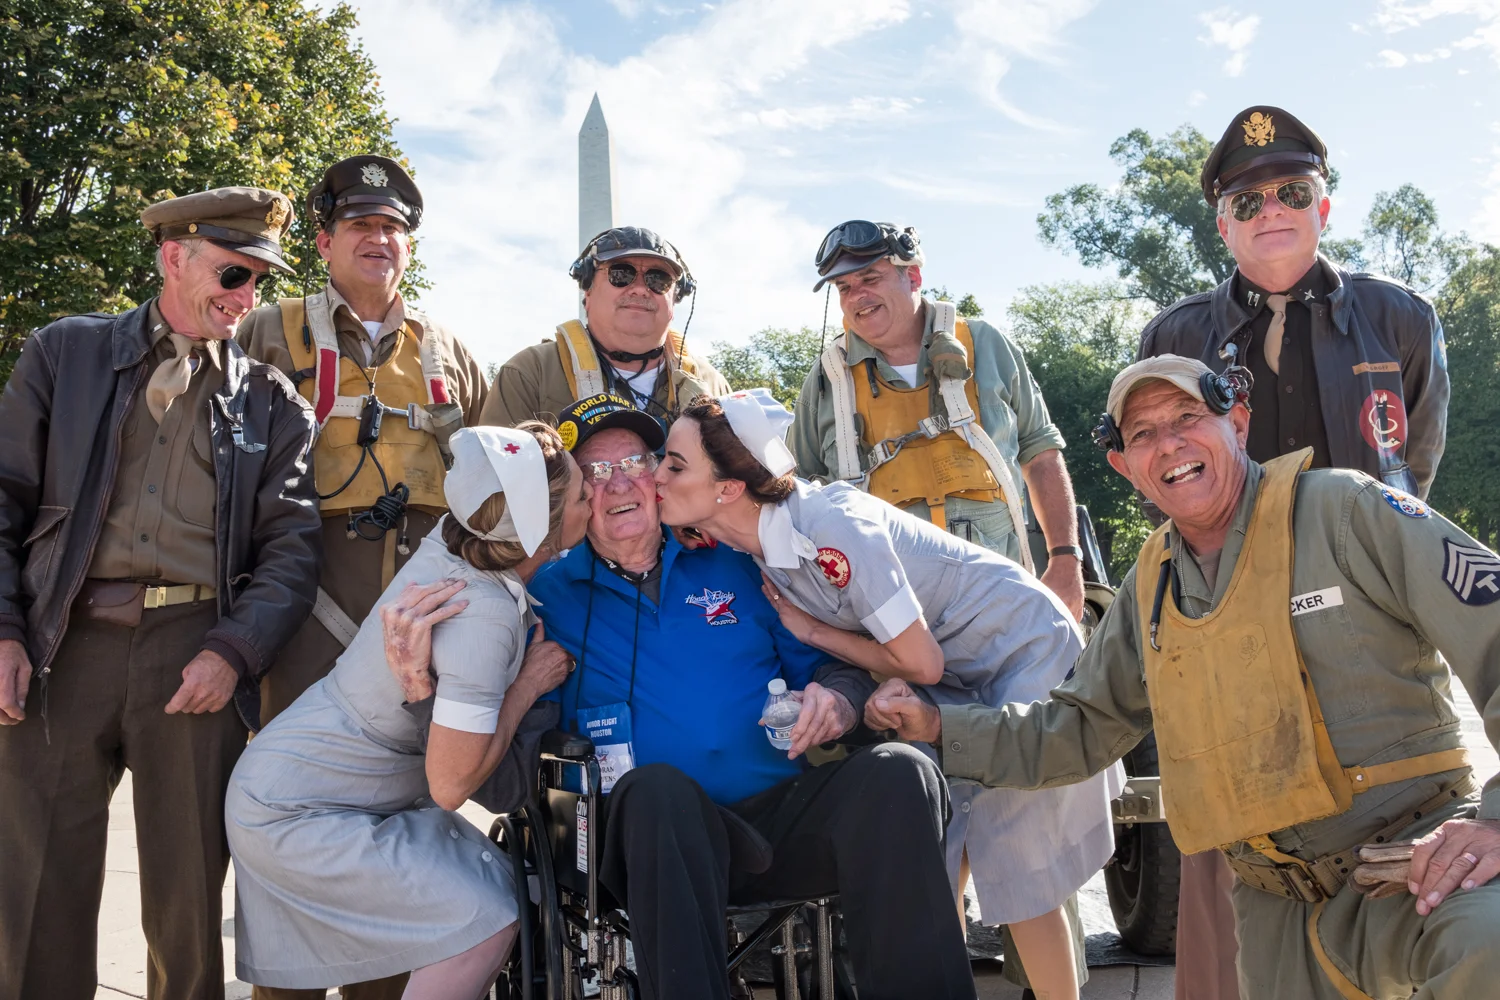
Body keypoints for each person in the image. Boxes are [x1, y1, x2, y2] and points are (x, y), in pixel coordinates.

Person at [868, 354, 1500, 1000]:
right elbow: (1075, 730)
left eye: (1189, 417)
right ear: (1124, 466)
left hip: (1418, 865)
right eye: (1142, 435)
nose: (1169, 444)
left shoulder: (1346, 512)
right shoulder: (1149, 586)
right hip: (1276, 914)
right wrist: (940, 726)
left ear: (1240, 423)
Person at [386, 393, 972, 1000]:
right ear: (574, 498)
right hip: (636, 844)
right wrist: (426, 691)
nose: (618, 486)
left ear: (660, 475)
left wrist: (839, 701)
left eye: (635, 463)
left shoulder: (736, 561)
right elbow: (502, 781)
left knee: (901, 773)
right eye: (596, 472)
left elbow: (834, 663)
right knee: (658, 791)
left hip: (771, 823)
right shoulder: (544, 597)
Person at [655, 388, 1123, 1000]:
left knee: (1017, 856)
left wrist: (815, 632)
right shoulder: (758, 544)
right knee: (937, 853)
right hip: (960, 674)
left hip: (1019, 651)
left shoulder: (831, 527)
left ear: (729, 489)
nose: (654, 474)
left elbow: (919, 661)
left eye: (674, 463)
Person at [1137, 106, 1452, 1000]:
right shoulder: (1174, 338)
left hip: (1364, 642)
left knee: (1394, 857)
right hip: (1227, 636)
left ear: (1325, 206)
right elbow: (1165, 472)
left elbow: (1411, 476)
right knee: (1226, 886)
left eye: (1292, 190)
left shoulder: (1400, 320)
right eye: (1246, 199)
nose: (1270, 209)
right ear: (1222, 223)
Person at [0, 187, 322, 1000]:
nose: (246, 296)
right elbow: (3, 494)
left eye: (258, 280)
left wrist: (234, 651)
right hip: (59, 646)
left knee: (185, 899)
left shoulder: (270, 399)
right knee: (37, 885)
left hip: (193, 654)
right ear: (173, 258)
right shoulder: (62, 355)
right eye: (232, 272)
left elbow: (291, 547)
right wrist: (4, 627)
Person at [225, 422, 592, 1000]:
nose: (593, 496)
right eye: (579, 495)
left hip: (309, 785)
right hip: (298, 813)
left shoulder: (453, 537)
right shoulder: (483, 616)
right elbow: (450, 785)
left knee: (502, 887)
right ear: (540, 530)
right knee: (485, 917)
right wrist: (526, 686)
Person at [237, 154, 491, 731]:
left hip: (428, 583)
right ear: (325, 243)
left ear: (409, 248)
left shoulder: (447, 347)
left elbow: (491, 475)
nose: (379, 239)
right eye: (360, 225)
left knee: (417, 765)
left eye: (392, 229)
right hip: (304, 582)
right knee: (291, 750)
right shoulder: (269, 329)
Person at [789, 220, 1086, 621]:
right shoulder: (827, 379)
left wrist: (1066, 560)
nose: (858, 296)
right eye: (844, 288)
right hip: (891, 620)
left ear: (913, 275)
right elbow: (797, 496)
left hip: (1003, 604)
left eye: (870, 278)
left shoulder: (985, 345)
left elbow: (1041, 455)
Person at [480, 226, 729, 431]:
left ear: (677, 297)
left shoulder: (712, 385)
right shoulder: (531, 374)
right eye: (620, 274)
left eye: (658, 279)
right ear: (588, 290)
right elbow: (493, 483)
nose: (640, 289)